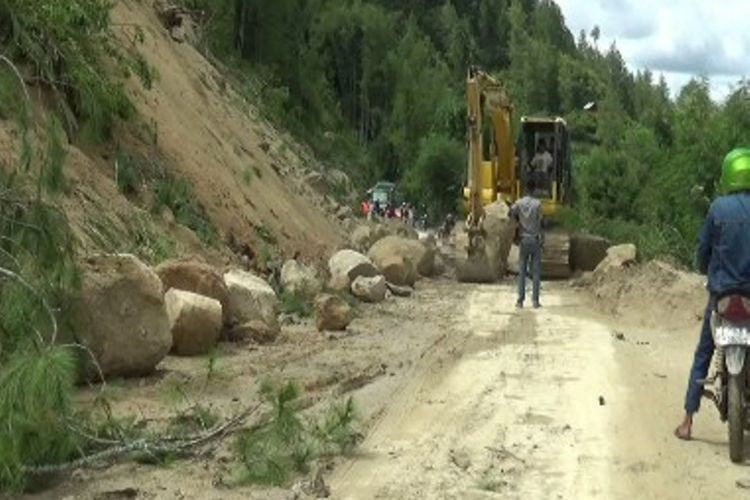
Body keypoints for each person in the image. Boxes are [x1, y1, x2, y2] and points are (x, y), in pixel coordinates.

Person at [675, 148, 750, 441]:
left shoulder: (718, 208)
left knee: (704, 352)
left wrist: (705, 269)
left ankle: (687, 421)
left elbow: (703, 251)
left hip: (721, 295)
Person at [510, 178, 544, 309]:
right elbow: (540, 223)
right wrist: (542, 239)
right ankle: (535, 301)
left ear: (524, 189)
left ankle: (520, 301)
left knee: (522, 271)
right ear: (534, 189)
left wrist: (517, 224)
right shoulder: (538, 204)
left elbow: (510, 213)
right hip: (534, 240)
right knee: (536, 272)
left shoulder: (519, 203)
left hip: (523, 240)